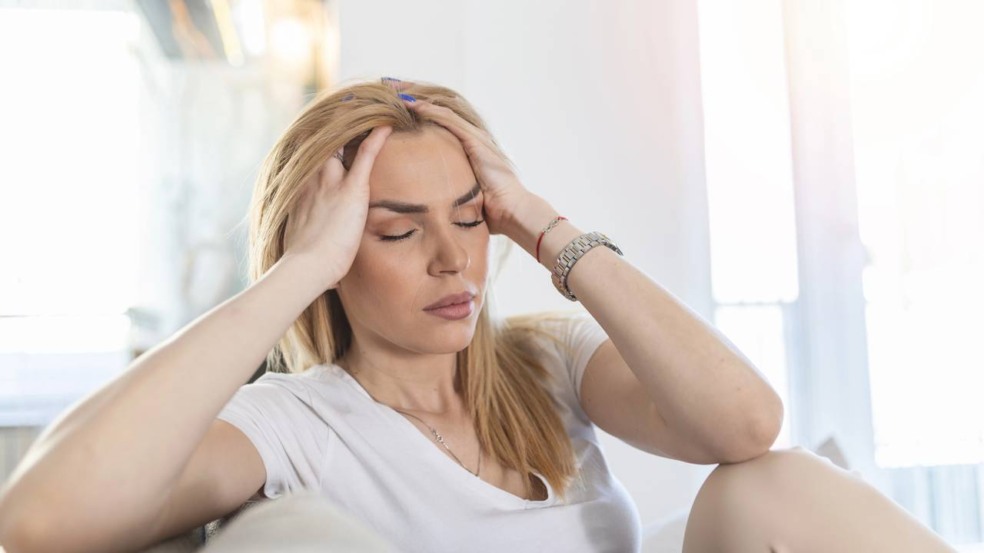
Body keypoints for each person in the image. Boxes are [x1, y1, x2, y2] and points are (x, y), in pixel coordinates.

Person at [0, 77, 957, 553]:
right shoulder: (292, 426)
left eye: (470, 217)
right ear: (328, 249)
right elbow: (38, 521)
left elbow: (746, 424)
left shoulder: (546, 363)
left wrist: (544, 226)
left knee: (769, 486)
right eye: (396, 230)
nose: (455, 258)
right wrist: (297, 272)